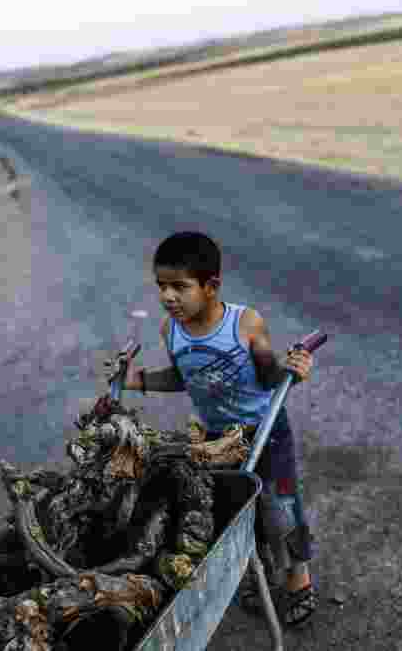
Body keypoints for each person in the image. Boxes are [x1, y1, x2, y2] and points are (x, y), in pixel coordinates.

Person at [105, 230, 320, 627]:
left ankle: (298, 580)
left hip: (265, 431)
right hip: (217, 440)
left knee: (280, 510)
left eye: (179, 287)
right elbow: (184, 377)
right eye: (161, 287)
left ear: (211, 285)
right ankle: (261, 574)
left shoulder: (245, 324)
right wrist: (136, 380)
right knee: (239, 513)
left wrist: (295, 371)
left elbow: (270, 374)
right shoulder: (172, 332)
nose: (168, 297)